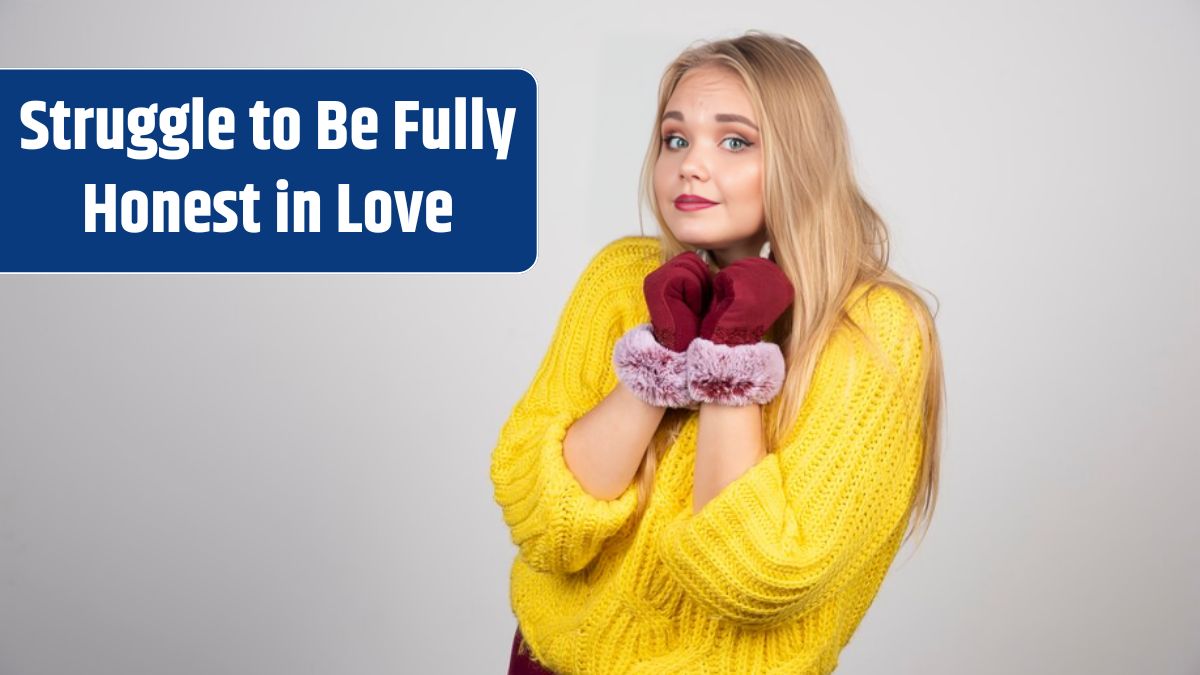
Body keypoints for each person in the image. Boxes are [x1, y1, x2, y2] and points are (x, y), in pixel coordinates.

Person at [491, 30, 945, 675]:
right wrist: (662, 356)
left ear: (800, 159)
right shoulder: (622, 279)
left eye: (735, 141)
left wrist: (732, 353)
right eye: (676, 138)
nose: (691, 165)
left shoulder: (873, 328)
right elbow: (546, 524)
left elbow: (754, 576)